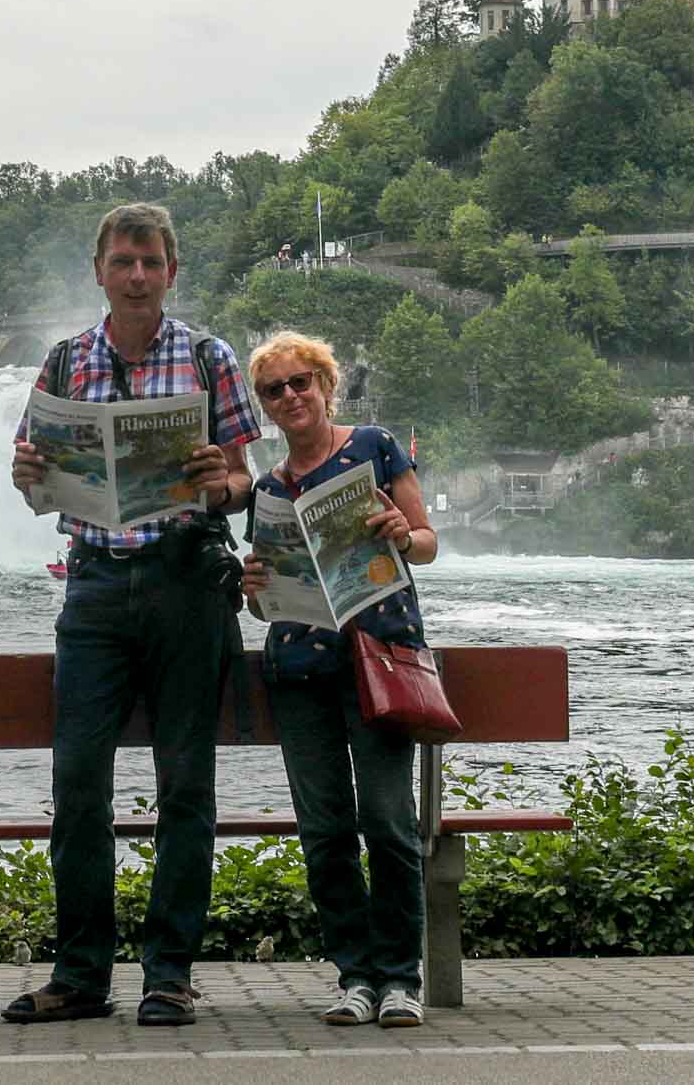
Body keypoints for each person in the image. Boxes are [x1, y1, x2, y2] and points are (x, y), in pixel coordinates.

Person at [5, 202, 261, 1029]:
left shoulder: (210, 356)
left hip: (187, 579)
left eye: (151, 260)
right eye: (124, 261)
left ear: (171, 271)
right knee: (78, 783)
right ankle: (81, 974)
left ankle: (170, 974)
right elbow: (33, 483)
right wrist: (28, 471)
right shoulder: (64, 360)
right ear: (101, 272)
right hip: (94, 587)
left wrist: (216, 481)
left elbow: (247, 483)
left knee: (185, 783)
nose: (138, 275)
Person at [240, 330, 439, 1030]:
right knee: (325, 829)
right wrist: (253, 588)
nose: (291, 396)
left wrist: (397, 530)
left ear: (327, 385)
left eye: (302, 382)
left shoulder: (376, 447)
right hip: (298, 667)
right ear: (264, 405)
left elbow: (427, 542)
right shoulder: (268, 487)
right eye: (275, 388)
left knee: (386, 821)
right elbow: (263, 602)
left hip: (378, 658)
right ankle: (353, 974)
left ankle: (399, 978)